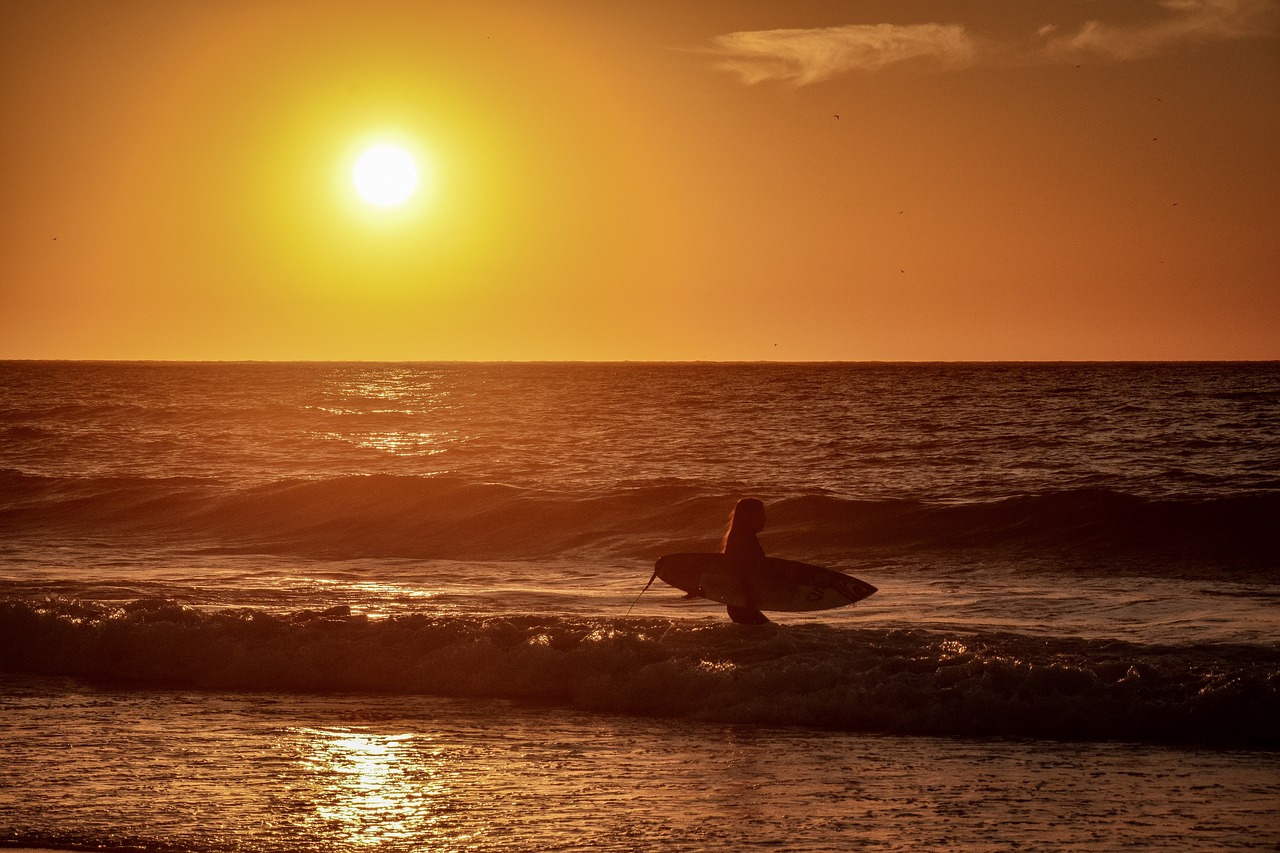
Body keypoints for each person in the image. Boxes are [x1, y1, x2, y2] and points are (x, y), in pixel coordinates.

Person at [721, 498, 772, 624]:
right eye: (761, 514)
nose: (765, 519)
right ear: (750, 517)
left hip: (738, 601)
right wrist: (749, 595)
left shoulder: (740, 539)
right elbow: (740, 571)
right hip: (743, 602)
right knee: (767, 634)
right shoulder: (746, 542)